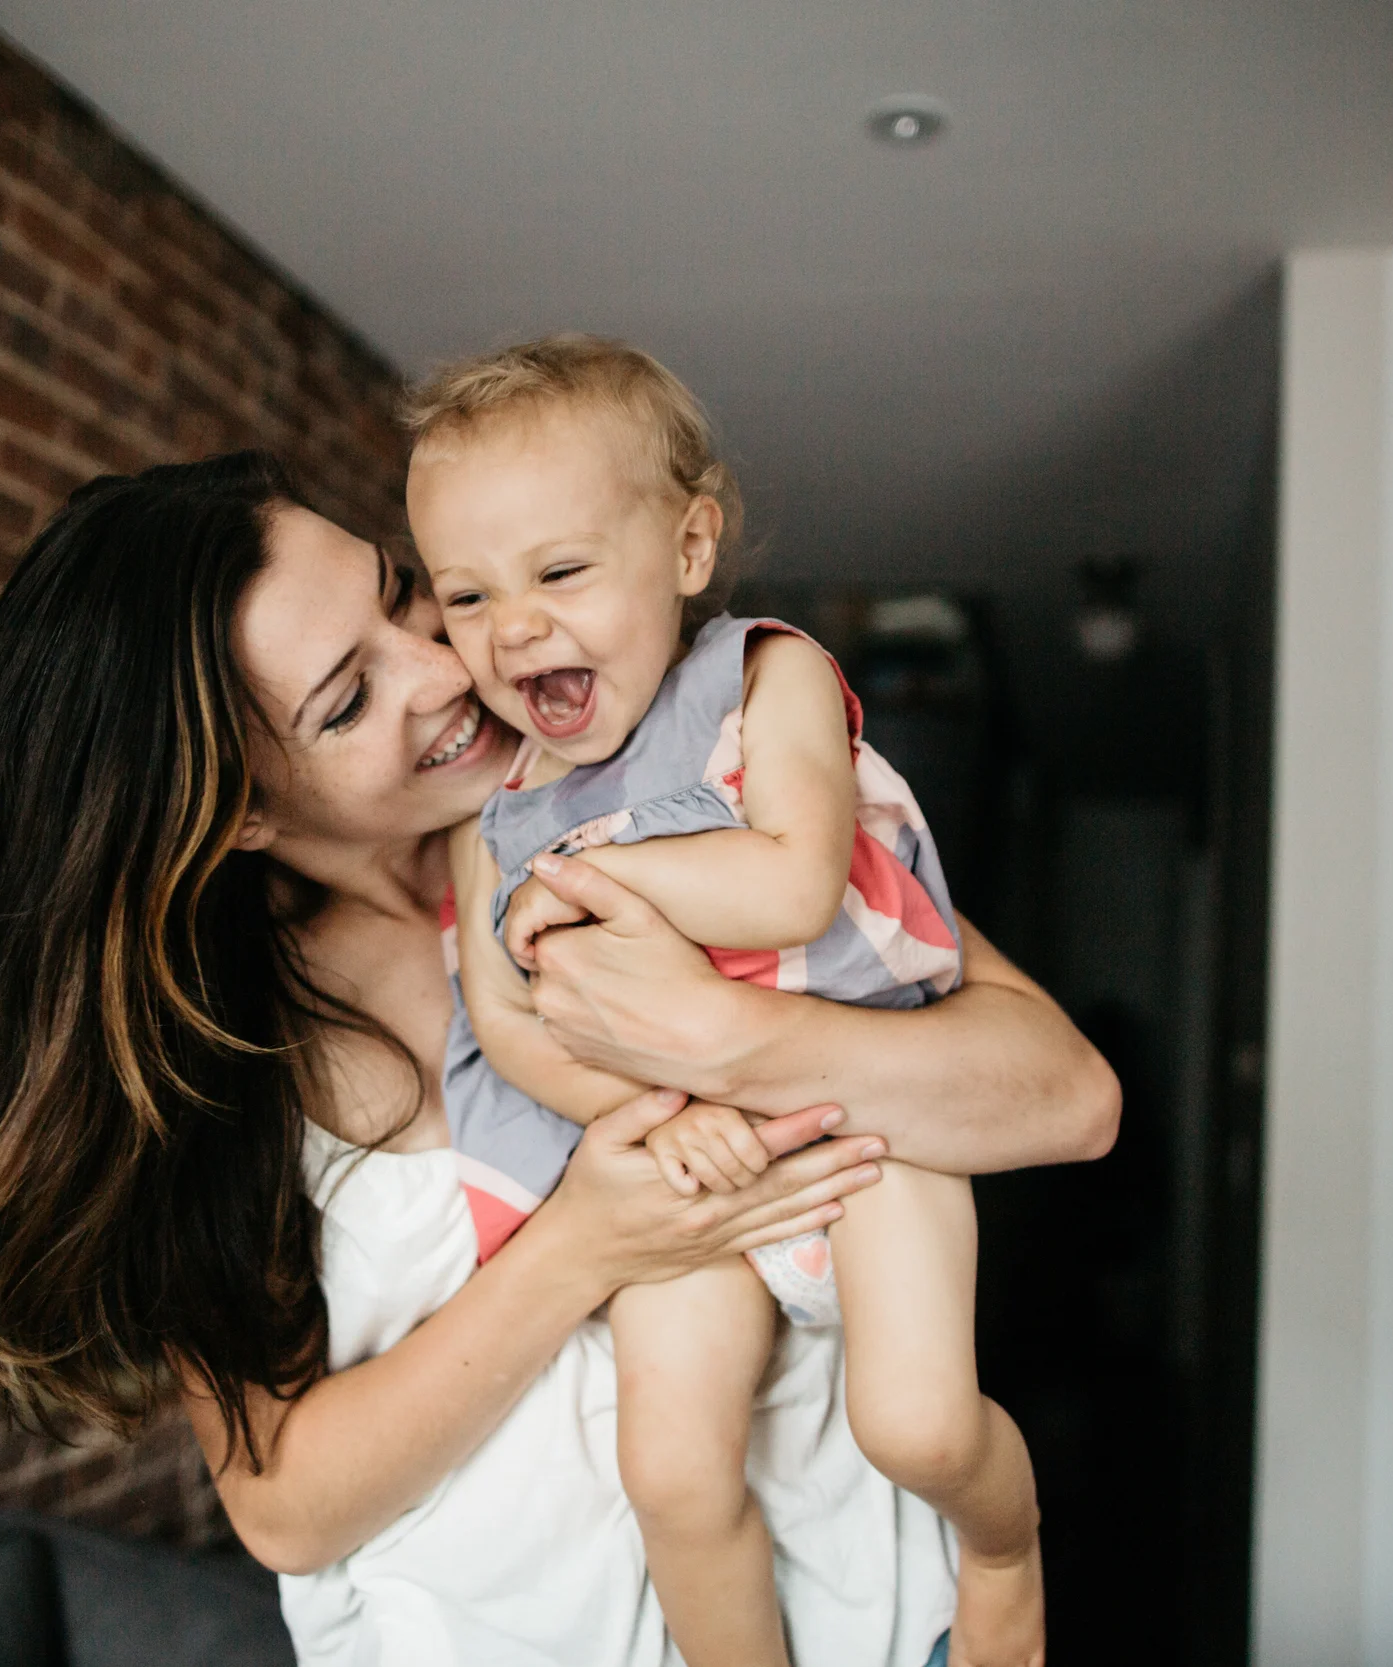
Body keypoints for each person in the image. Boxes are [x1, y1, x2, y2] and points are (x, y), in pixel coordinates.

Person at [0, 451, 1118, 1667]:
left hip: (874, 1614)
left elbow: (1070, 1098)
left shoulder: (659, 784)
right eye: (349, 698)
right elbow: (286, 1506)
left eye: (403, 597)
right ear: (236, 806)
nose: (438, 672)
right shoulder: (216, 1061)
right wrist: (584, 1242)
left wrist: (734, 1035)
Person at [409, 335, 1041, 1667]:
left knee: (919, 1426)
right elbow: (508, 1022)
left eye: (560, 572)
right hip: (695, 1173)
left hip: (864, 1126)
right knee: (673, 1476)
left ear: (689, 547)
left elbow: (793, 881)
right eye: (466, 597)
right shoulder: (496, 813)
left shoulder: (762, 680)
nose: (513, 628)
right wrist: (641, 1112)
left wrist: (587, 873)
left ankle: (1003, 1548)